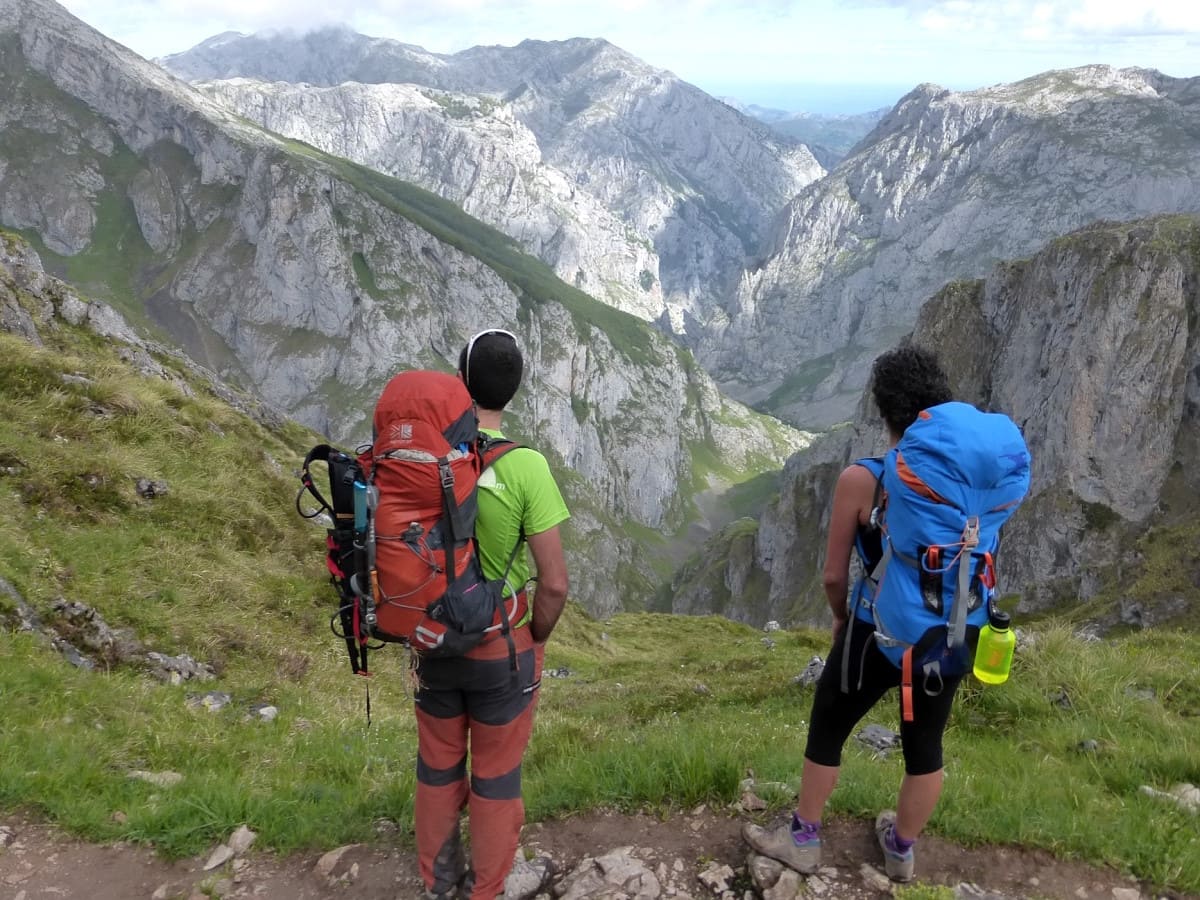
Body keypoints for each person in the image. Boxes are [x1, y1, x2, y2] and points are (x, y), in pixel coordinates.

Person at [743, 344, 954, 884]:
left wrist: (840, 618)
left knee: (830, 723)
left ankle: (804, 840)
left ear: (882, 412)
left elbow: (835, 575)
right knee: (925, 747)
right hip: (943, 635)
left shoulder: (865, 479)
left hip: (874, 630)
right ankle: (902, 851)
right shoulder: (961, 485)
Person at [413, 328, 571, 900]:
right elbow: (554, 584)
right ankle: (489, 891)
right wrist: (535, 637)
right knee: (496, 775)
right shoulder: (527, 467)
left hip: (432, 642)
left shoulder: (429, 456)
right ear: (514, 391)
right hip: (501, 649)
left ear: (460, 381)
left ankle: (438, 883)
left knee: (437, 765)